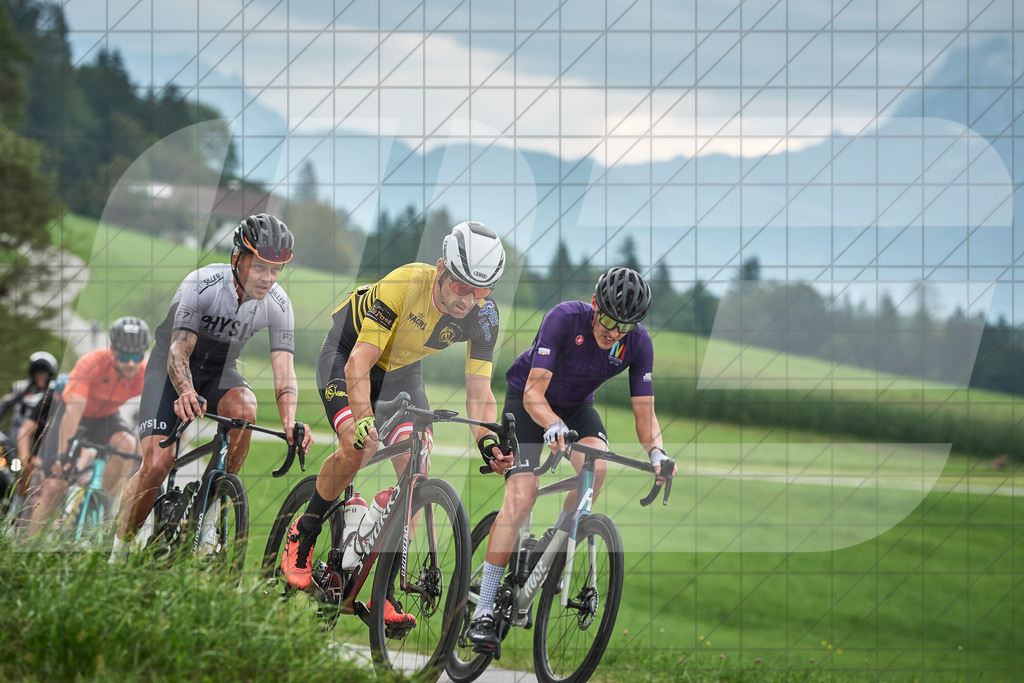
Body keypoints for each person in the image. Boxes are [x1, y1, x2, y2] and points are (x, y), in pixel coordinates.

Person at [280, 220, 515, 627]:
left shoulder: (484, 316)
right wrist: (366, 419)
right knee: (360, 443)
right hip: (348, 354)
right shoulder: (405, 285)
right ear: (441, 269)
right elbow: (358, 363)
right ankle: (305, 530)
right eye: (461, 286)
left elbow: (480, 391)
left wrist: (487, 440)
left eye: (481, 291)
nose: (468, 300)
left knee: (416, 476)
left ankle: (381, 589)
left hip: (403, 369)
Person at [464, 266, 677, 649]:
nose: (613, 331)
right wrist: (550, 424)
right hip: (529, 401)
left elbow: (645, 416)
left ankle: (556, 536)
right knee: (522, 495)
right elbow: (533, 394)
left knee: (597, 468)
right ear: (596, 305)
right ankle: (483, 611)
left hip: (577, 407)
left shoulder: (637, 344)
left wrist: (658, 453)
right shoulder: (564, 318)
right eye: (609, 319)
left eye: (624, 326)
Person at [113, 213, 313, 558]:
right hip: (168, 369)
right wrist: (186, 391)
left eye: (276, 270)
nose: (268, 278)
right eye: (260, 266)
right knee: (158, 465)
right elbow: (179, 349)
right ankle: (118, 552)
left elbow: (284, 371)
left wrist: (289, 422)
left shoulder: (279, 304)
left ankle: (209, 511)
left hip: (220, 372)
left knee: (246, 410)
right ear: (238, 258)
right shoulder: (202, 283)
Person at [23, 320, 149, 536]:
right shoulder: (91, 363)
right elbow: (74, 412)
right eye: (124, 356)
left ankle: (100, 502)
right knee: (54, 486)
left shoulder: (144, 373)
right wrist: (62, 455)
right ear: (112, 351)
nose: (130, 364)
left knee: (127, 445)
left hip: (106, 416)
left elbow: (153, 412)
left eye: (136, 357)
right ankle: (28, 545)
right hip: (72, 413)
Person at [0, 352, 58, 512]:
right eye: (37, 372)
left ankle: (18, 511)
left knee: (25, 473)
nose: (40, 376)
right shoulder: (21, 388)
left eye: (44, 373)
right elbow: (4, 406)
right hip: (13, 438)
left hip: (35, 445)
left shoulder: (52, 395)